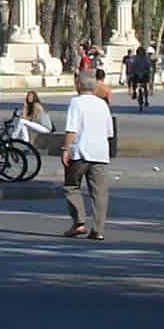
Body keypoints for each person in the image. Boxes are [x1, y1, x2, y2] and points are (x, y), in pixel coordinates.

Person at [62, 72, 114, 240]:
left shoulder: (76, 102)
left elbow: (72, 128)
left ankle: (79, 222)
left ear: (78, 85)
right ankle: (98, 229)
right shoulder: (102, 104)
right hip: (100, 153)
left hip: (80, 152)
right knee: (99, 193)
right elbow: (109, 132)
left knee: (72, 186)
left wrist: (66, 149)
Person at [127, 44, 155, 111]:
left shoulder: (146, 58)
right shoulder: (135, 58)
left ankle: (146, 100)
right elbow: (132, 66)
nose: (140, 53)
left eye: (141, 52)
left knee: (145, 86)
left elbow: (149, 66)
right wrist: (131, 73)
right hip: (136, 73)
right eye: (139, 52)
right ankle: (134, 92)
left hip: (144, 74)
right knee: (133, 82)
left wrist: (149, 72)